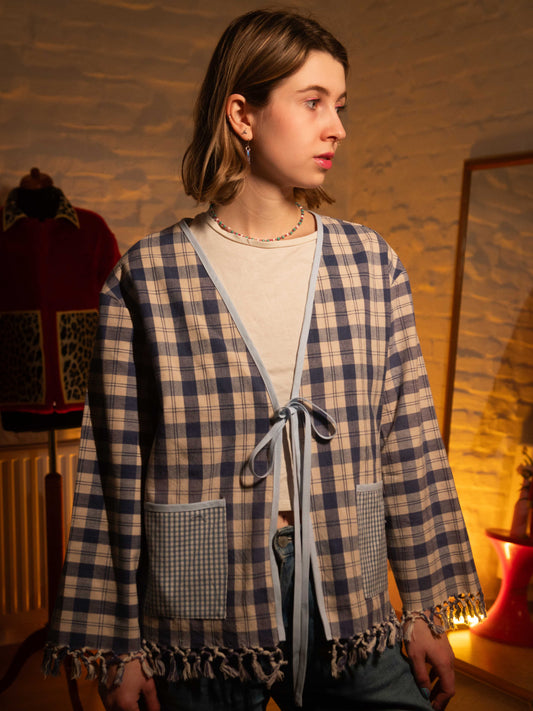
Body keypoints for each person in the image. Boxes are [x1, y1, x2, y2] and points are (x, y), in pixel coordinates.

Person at [44, 9, 484, 711]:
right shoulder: (148, 277)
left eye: (340, 105)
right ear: (242, 114)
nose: (336, 127)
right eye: (313, 102)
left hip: (345, 580)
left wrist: (427, 607)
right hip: (201, 598)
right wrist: (119, 644)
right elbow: (113, 467)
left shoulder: (370, 263)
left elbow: (408, 442)